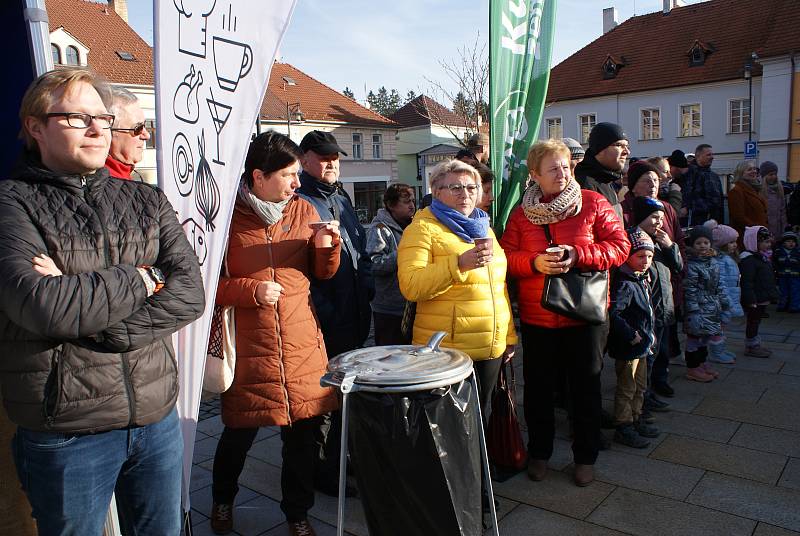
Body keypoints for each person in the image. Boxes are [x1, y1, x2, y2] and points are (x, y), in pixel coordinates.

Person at [0, 67, 205, 535]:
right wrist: (145, 277)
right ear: (36, 126)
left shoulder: (145, 200)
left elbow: (190, 293)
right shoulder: (11, 204)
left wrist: (89, 310)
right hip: (67, 430)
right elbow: (43, 307)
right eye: (78, 117)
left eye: (103, 117)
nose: (98, 129)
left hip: (156, 420)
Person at [210, 131, 340, 536]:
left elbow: (323, 274)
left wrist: (326, 248)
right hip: (250, 347)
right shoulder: (223, 219)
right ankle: (222, 502)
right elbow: (201, 284)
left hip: (301, 342)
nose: (297, 183)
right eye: (287, 175)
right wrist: (248, 290)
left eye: (298, 174)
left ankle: (297, 515)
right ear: (258, 177)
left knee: (302, 439)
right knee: (238, 434)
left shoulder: (303, 210)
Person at [500, 139, 629, 487]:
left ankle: (585, 456)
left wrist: (578, 254)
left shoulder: (592, 203)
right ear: (535, 175)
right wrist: (534, 262)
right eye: (553, 168)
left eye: (566, 166)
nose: (562, 172)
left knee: (585, 388)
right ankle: (539, 452)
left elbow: (620, 248)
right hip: (538, 314)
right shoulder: (520, 213)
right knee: (539, 390)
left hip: (584, 315)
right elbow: (506, 258)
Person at [397, 158, 516, 517]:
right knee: (452, 429)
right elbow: (411, 285)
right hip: (448, 351)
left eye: (472, 187)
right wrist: (457, 264)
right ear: (435, 191)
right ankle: (460, 496)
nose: (465, 194)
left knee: (480, 419)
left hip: (489, 346)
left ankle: (477, 487)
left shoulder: (483, 226)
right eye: (455, 187)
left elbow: (498, 288)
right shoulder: (423, 229)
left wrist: (508, 334)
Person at [296, 130, 372, 495]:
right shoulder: (300, 202)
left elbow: (359, 250)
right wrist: (324, 311)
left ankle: (344, 460)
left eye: (335, 157)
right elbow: (301, 268)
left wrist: (367, 288)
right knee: (324, 401)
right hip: (326, 319)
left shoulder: (339, 197)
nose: (331, 163)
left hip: (354, 312)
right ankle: (322, 472)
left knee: (347, 396)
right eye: (324, 157)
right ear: (305, 158)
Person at [608, 228, 660, 448]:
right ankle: (623, 424)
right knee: (627, 387)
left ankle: (636, 418)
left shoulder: (641, 278)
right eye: (640, 256)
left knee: (640, 385)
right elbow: (614, 314)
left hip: (642, 345)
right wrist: (632, 335)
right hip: (630, 345)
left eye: (649, 256)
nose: (645, 261)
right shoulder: (625, 282)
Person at [631, 197, 682, 399]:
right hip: (648, 309)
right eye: (653, 218)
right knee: (649, 356)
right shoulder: (636, 240)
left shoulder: (662, 241)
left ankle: (658, 383)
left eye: (661, 218)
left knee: (662, 352)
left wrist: (670, 246)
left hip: (664, 307)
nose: (658, 223)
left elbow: (678, 267)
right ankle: (644, 396)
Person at [366, 183, 416, 345]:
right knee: (390, 356)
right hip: (388, 308)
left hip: (409, 305)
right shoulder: (380, 229)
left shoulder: (413, 226)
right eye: (406, 202)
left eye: (413, 201)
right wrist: (403, 253)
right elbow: (374, 265)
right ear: (391, 205)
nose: (411, 206)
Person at [683, 226, 730, 382]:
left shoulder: (713, 261)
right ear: (692, 245)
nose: (703, 246)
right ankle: (692, 367)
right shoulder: (692, 264)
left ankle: (702, 363)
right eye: (698, 243)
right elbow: (689, 289)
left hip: (711, 306)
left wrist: (724, 301)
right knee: (694, 338)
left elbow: (719, 284)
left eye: (706, 242)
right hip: (698, 307)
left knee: (705, 337)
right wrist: (693, 310)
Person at [703, 220, 745, 363]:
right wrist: (726, 301)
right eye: (731, 242)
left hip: (727, 298)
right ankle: (716, 353)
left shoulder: (727, 258)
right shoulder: (720, 260)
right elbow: (720, 283)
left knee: (722, 327)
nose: (735, 245)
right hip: (721, 301)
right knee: (718, 328)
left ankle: (720, 349)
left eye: (735, 242)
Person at [574, 122, 629, 222]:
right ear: (600, 148)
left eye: (627, 146)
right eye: (619, 145)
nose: (626, 152)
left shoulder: (606, 180)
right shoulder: (585, 184)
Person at [740, 226, 779, 357]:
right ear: (754, 242)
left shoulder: (762, 257)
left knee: (756, 321)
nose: (768, 245)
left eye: (769, 242)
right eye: (765, 242)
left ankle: (754, 344)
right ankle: (751, 346)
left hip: (761, 297)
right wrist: (750, 300)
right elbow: (747, 282)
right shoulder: (749, 260)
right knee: (753, 321)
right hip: (755, 299)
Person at [104, 87, 150, 181]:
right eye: (138, 128)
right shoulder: (99, 185)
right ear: (109, 132)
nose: (147, 135)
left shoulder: (123, 178)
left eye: (145, 126)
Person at [728, 161, 768, 249]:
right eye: (749, 169)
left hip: (758, 235)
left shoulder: (755, 189)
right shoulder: (736, 191)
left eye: (754, 169)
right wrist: (756, 228)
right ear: (741, 173)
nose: (754, 171)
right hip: (748, 237)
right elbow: (738, 216)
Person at [684, 144, 724, 225]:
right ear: (698, 156)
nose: (712, 157)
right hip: (696, 222)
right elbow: (688, 198)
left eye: (712, 154)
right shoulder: (690, 174)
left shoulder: (714, 176)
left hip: (714, 222)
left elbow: (720, 201)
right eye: (708, 155)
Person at [760, 161, 788, 239]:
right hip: (765, 230)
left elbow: (783, 211)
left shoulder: (779, 189)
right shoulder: (760, 190)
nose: (774, 176)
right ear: (764, 176)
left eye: (775, 174)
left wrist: (784, 228)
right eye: (771, 174)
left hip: (779, 230)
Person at [773, 231, 800, 313]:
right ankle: (782, 305)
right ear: (783, 243)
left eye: (793, 242)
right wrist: (776, 271)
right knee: (783, 291)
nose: (791, 243)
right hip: (782, 276)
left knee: (795, 291)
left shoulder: (797, 252)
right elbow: (775, 262)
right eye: (788, 241)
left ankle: (794, 307)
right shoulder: (779, 251)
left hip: (795, 276)